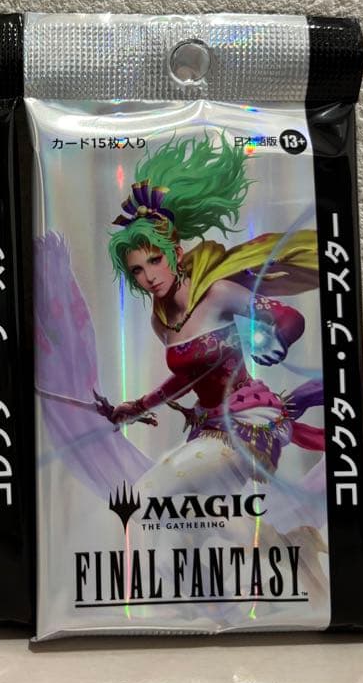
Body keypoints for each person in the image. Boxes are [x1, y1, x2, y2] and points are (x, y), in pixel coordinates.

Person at [95, 134, 324, 489]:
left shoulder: (217, 294)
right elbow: (187, 378)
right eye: (137, 270)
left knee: (147, 493)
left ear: (176, 254)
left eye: (155, 261)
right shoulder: (161, 321)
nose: (149, 277)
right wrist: (138, 406)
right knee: (199, 517)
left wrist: (273, 338)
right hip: (209, 425)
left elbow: (288, 317)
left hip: (248, 418)